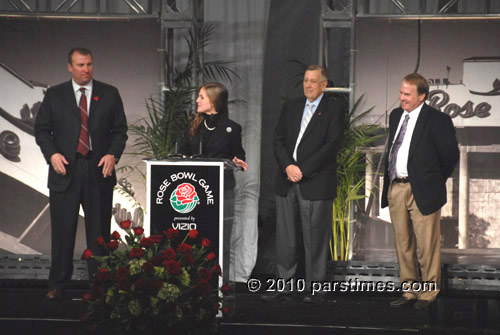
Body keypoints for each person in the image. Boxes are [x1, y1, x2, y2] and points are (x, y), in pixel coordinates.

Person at [35, 47, 128, 300]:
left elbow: (120, 132)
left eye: (89, 64)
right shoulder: (55, 95)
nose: (86, 69)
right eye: (80, 65)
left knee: (99, 234)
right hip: (65, 170)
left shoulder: (110, 93)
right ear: (69, 67)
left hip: (98, 170)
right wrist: (52, 154)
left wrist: (112, 154)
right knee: (63, 232)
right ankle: (57, 284)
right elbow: (42, 130)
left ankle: (101, 285)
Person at [267, 64, 344, 303]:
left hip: (315, 181)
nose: (308, 85)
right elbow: (277, 140)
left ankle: (316, 288)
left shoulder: (334, 109)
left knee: (315, 238)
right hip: (287, 179)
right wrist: (288, 167)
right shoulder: (291, 107)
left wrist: (303, 170)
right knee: (286, 238)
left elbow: (331, 145)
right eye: (306, 81)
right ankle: (284, 285)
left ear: (324, 85)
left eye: (313, 81)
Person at [381, 73, 459, 310]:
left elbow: (450, 157)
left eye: (407, 94)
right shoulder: (396, 116)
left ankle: (428, 293)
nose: (401, 98)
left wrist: (432, 181)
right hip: (397, 187)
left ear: (422, 96)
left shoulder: (437, 120)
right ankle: (409, 291)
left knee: (426, 246)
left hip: (423, 189)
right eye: (401, 92)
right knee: (403, 244)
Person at [180, 82, 248, 283]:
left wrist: (237, 161)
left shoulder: (231, 128)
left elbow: (239, 155)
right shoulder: (194, 127)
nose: (197, 100)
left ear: (214, 100)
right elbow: (181, 152)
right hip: (195, 191)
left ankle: (220, 284)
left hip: (221, 191)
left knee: (220, 239)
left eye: (201, 97)